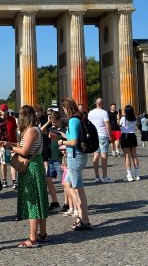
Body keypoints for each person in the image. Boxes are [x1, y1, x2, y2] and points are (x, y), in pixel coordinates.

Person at [2, 105, 48, 247]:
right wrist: (12, 143)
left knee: (32, 201)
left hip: (31, 168)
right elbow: (25, 145)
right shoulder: (35, 129)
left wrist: (10, 147)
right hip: (36, 165)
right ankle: (43, 233)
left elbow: (24, 150)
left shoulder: (30, 131)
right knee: (39, 199)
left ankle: (33, 238)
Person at [58, 97, 91, 230]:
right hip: (79, 156)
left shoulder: (72, 121)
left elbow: (73, 142)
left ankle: (84, 219)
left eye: (64, 109)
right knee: (67, 183)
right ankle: (79, 213)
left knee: (79, 189)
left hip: (74, 157)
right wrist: (64, 136)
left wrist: (62, 142)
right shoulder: (80, 118)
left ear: (67, 108)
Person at [88, 98, 114, 183]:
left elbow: (88, 125)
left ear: (96, 103)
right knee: (104, 156)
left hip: (94, 136)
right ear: (102, 104)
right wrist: (110, 136)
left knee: (96, 156)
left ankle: (96, 177)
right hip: (103, 135)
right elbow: (107, 125)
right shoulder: (104, 112)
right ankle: (105, 177)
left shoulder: (90, 113)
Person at [0, 103, 18, 189]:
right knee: (3, 162)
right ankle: (4, 180)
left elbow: (15, 130)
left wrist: (17, 141)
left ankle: (14, 180)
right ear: (0, 111)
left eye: (5, 110)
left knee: (13, 161)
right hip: (2, 144)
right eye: (3, 110)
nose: (4, 112)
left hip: (12, 143)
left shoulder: (12, 119)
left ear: (7, 110)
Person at [120, 105, 140, 181]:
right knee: (134, 156)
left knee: (127, 156)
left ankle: (129, 175)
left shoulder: (123, 118)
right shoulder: (134, 119)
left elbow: (119, 125)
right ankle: (137, 174)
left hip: (125, 136)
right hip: (133, 136)